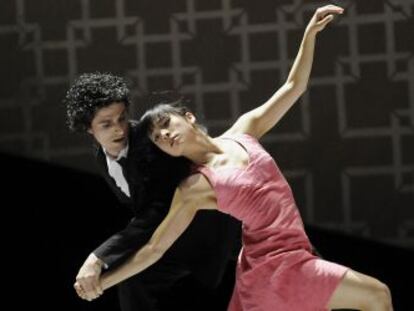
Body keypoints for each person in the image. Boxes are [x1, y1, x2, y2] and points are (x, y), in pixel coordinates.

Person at [76, 4, 393, 311]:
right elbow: (153, 250)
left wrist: (309, 34)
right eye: (158, 139)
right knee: (377, 296)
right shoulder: (194, 187)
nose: (165, 136)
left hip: (291, 255)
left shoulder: (244, 130)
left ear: (187, 116)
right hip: (275, 266)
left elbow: (293, 87)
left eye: (166, 125)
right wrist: (103, 282)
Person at [65, 73, 241, 310]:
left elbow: (155, 212)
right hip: (174, 228)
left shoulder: (148, 146)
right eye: (106, 124)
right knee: (134, 281)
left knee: (276, 259)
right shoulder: (101, 153)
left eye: (122, 118)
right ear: (89, 129)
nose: (119, 130)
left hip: (206, 225)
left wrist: (98, 258)